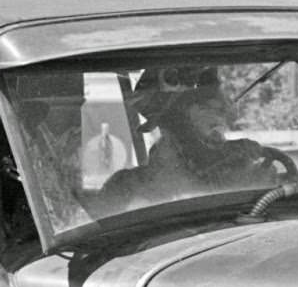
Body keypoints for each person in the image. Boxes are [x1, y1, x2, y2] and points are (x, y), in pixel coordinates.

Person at [98, 82, 285, 209]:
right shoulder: (133, 183)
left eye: (222, 114)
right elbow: (192, 189)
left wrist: (259, 177)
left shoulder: (226, 156)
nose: (221, 121)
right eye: (211, 110)